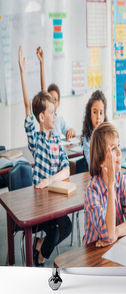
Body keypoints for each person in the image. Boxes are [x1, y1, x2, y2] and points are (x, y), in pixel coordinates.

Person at [18, 46, 72, 267]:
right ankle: (39, 260)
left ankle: (38, 250)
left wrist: (51, 180)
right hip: (39, 204)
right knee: (54, 233)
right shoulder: (37, 139)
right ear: (42, 117)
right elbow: (29, 105)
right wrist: (23, 72)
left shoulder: (56, 138)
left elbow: (67, 170)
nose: (54, 114)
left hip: (55, 198)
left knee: (66, 227)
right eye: (51, 112)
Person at [83, 122, 126, 246]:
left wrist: (117, 232)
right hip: (94, 253)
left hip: (116, 245)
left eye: (119, 146)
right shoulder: (92, 190)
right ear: (100, 161)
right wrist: (110, 186)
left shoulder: (120, 178)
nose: (120, 152)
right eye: (113, 148)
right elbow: (107, 235)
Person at [36, 47, 76, 141]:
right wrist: (42, 64)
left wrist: (71, 131)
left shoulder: (59, 120)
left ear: (59, 103)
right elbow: (43, 90)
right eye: (50, 99)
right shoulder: (45, 118)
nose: (52, 102)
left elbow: (72, 131)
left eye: (55, 100)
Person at [81, 90, 107, 168]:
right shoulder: (87, 138)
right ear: (90, 114)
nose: (98, 117)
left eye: (101, 113)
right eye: (95, 112)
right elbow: (91, 165)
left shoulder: (108, 134)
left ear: (104, 115)